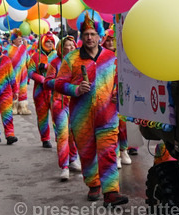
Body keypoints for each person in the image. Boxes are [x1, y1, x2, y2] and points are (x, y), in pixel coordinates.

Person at [54, 16, 127, 205]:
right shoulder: (72, 58)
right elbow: (59, 83)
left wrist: (117, 93)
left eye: (93, 34)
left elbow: (121, 81)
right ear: (81, 36)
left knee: (109, 151)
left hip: (108, 115)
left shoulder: (111, 58)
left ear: (99, 36)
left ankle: (111, 192)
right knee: (87, 153)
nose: (89, 38)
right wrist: (75, 89)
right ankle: (93, 184)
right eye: (86, 34)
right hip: (82, 116)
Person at [46, 35, 81, 181]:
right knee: (63, 134)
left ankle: (73, 159)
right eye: (68, 45)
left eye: (73, 45)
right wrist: (60, 82)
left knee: (74, 134)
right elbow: (47, 82)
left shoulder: (80, 62)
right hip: (59, 102)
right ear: (61, 47)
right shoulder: (55, 63)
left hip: (76, 102)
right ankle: (64, 166)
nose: (71, 47)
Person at [101, 27, 133, 168]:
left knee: (123, 126)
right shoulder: (101, 56)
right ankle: (116, 155)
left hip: (121, 95)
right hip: (106, 96)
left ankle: (124, 150)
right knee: (110, 127)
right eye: (107, 40)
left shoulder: (124, 56)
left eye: (112, 40)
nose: (110, 42)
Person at [28, 32, 57, 148]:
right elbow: (30, 72)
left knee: (58, 117)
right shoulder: (35, 56)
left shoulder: (57, 55)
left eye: (51, 42)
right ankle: (45, 139)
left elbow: (62, 69)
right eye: (47, 42)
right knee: (42, 116)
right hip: (40, 91)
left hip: (55, 90)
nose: (49, 44)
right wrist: (41, 79)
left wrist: (45, 66)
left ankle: (60, 139)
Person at [7, 30, 32, 115]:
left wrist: (31, 68)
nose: (20, 39)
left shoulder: (23, 48)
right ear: (13, 40)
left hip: (23, 72)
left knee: (23, 88)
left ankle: (23, 107)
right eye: (18, 38)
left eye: (21, 38)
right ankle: (13, 107)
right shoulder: (8, 48)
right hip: (13, 72)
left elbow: (28, 59)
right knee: (14, 88)